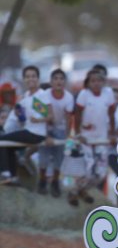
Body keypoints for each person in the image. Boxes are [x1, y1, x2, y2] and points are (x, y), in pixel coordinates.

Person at [0, 66, 50, 185]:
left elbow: (48, 116)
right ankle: (12, 177)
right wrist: (18, 115)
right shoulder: (26, 96)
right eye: (27, 76)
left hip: (36, 133)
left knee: (1, 140)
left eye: (33, 76)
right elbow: (24, 121)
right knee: (8, 146)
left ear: (38, 78)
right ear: (24, 79)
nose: (30, 79)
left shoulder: (41, 95)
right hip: (28, 130)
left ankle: (5, 172)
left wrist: (39, 122)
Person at [73, 69, 116, 206]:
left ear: (103, 82)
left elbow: (111, 114)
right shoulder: (84, 94)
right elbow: (78, 114)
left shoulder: (108, 94)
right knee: (88, 168)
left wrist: (112, 133)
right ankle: (74, 192)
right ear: (88, 82)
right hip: (87, 138)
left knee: (101, 173)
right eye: (93, 81)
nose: (96, 83)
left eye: (99, 80)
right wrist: (78, 133)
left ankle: (82, 190)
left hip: (102, 138)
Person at [37, 69, 74, 197]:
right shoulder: (44, 94)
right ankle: (42, 180)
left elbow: (69, 118)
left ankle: (55, 182)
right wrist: (46, 135)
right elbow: (42, 115)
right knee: (43, 158)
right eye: (56, 78)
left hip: (60, 129)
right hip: (45, 127)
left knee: (59, 158)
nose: (58, 81)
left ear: (64, 82)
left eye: (61, 78)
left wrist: (68, 136)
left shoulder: (69, 97)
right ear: (51, 81)